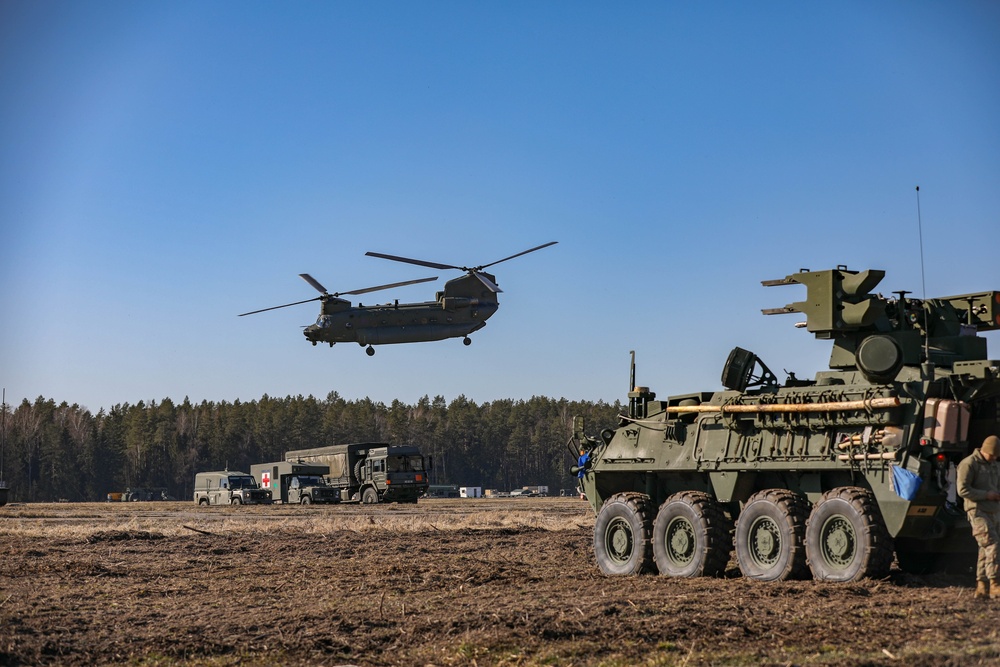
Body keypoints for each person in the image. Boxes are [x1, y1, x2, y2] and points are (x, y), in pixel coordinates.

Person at [957, 435, 1000, 599]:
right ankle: (995, 583)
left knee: (985, 549)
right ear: (984, 451)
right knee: (993, 544)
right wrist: (986, 495)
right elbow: (963, 490)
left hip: (994, 511)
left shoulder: (994, 465)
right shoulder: (969, 464)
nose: (994, 459)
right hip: (977, 511)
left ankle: (982, 586)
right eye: (992, 455)